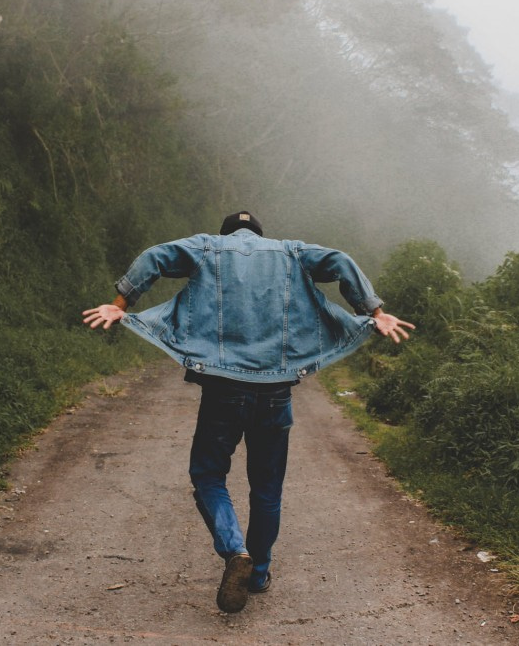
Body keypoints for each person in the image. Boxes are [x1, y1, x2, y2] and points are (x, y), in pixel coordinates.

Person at [82, 211, 414, 613]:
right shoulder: (291, 252)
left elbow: (155, 257)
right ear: (261, 233)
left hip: (222, 390)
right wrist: (374, 312)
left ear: (227, 233)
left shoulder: (207, 247)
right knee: (267, 489)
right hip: (275, 393)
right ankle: (257, 574)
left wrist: (121, 303)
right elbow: (341, 261)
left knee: (208, 475)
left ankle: (234, 548)